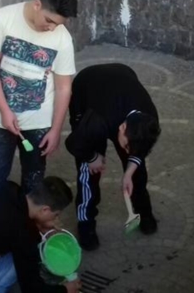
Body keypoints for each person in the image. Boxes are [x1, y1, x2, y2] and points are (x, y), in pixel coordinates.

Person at [0, 0, 78, 193]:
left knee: (33, 183)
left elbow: (64, 88)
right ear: (37, 5)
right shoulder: (2, 18)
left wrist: (56, 130)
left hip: (38, 123)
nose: (52, 28)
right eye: (49, 20)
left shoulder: (63, 39)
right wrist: (5, 111)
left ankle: (26, 216)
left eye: (58, 24)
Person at [65, 63, 161, 251]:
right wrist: (92, 157)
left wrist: (129, 173)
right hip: (86, 86)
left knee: (138, 171)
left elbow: (140, 150)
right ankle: (86, 224)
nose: (126, 151)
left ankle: (144, 212)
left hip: (122, 74)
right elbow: (73, 143)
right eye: (125, 146)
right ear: (122, 127)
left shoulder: (150, 121)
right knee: (88, 171)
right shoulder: (97, 120)